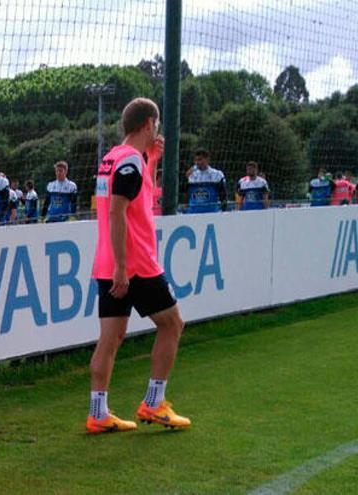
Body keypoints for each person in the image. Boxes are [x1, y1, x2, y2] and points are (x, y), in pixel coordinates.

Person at [87, 97, 189, 434]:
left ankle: (98, 414)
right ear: (147, 124)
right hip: (135, 264)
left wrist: (153, 162)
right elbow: (118, 210)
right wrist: (122, 266)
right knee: (172, 324)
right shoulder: (130, 161)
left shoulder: (114, 158)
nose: (157, 130)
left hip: (110, 261)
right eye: (156, 124)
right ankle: (154, 402)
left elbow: (138, 199)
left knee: (111, 337)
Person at [185, 148, 227, 213]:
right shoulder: (192, 175)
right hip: (194, 212)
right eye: (196, 160)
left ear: (207, 159)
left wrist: (223, 210)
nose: (198, 163)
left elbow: (223, 195)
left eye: (200, 160)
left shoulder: (217, 174)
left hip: (212, 211)